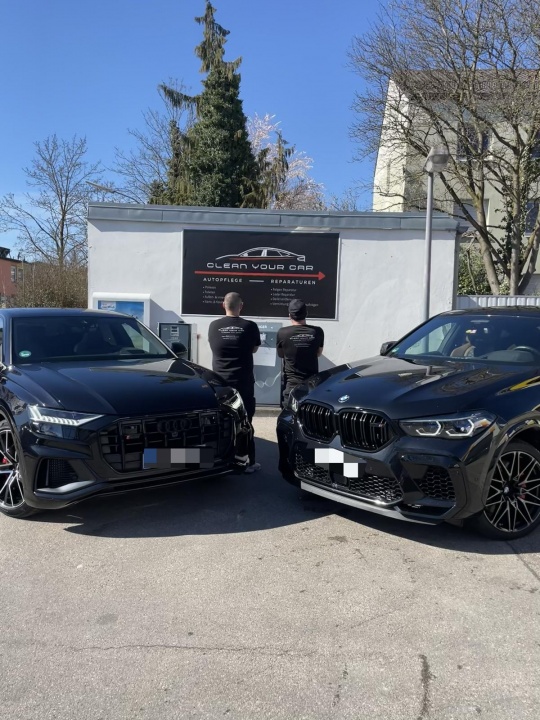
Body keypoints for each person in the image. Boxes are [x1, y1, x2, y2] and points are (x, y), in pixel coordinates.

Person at [208, 292, 261, 473]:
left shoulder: (214, 325)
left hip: (220, 384)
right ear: (241, 306)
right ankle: (246, 463)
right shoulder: (250, 326)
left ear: (223, 305)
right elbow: (254, 348)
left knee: (221, 422)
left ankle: (216, 460)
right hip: (243, 382)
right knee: (245, 423)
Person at [277, 299, 324, 408]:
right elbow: (318, 353)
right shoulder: (317, 332)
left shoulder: (282, 332)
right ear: (306, 314)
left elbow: (281, 354)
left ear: (289, 315)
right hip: (311, 385)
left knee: (288, 414)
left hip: (290, 385)